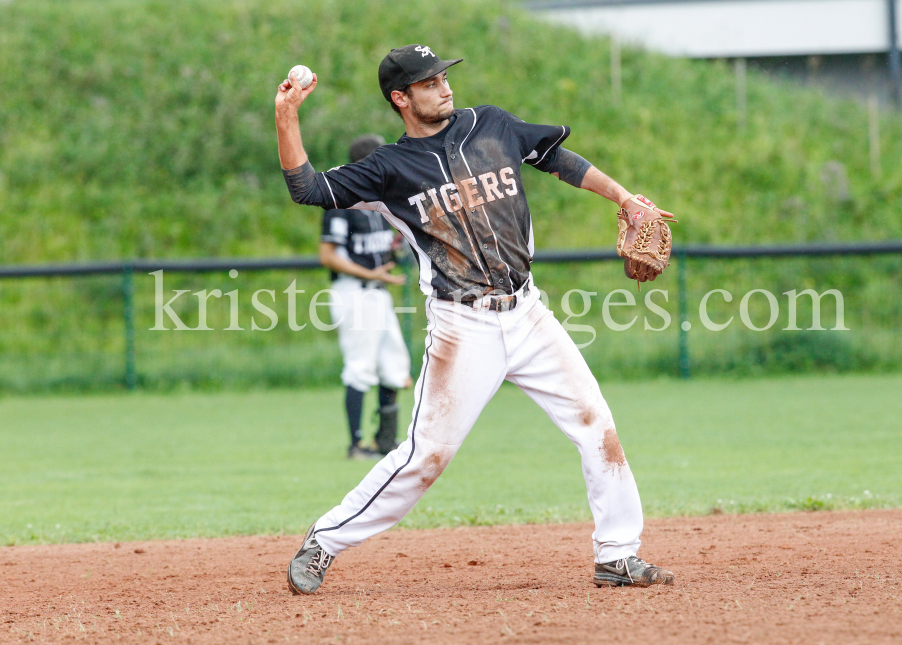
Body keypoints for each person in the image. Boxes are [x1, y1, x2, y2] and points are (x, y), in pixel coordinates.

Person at [275, 44, 676, 593]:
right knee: (425, 457)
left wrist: (626, 199)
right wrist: (286, 116)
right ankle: (325, 539)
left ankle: (617, 554)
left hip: (528, 312)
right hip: (464, 328)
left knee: (597, 428)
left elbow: (560, 160)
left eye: (443, 76)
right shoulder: (390, 168)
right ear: (401, 98)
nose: (443, 86)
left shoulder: (491, 126)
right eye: (428, 82)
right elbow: (308, 189)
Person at [319, 134, 412, 460]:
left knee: (394, 364)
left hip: (377, 294)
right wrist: (372, 274)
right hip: (353, 293)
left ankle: (385, 441)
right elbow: (327, 255)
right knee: (360, 367)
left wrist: (397, 246)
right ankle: (356, 445)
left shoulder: (378, 202)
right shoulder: (342, 200)